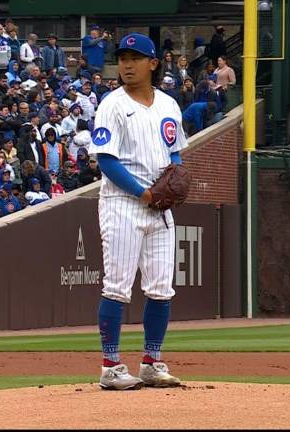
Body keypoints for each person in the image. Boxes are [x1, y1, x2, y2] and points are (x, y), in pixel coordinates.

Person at [89, 33, 188, 390]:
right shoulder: (111, 105)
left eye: (135, 58)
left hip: (159, 208)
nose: (127, 65)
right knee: (117, 287)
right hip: (122, 204)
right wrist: (143, 193)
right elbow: (106, 160)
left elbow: (174, 152)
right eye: (122, 59)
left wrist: (175, 178)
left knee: (161, 288)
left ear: (153, 63)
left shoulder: (168, 105)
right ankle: (110, 366)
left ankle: (151, 361)